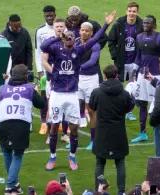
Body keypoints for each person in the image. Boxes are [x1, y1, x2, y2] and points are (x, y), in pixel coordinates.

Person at [42, 10, 117, 171]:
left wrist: (106, 24)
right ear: (64, 38)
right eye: (67, 37)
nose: (69, 39)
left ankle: (72, 157)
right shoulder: (56, 49)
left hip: (72, 94)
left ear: (73, 40)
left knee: (74, 128)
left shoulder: (78, 50)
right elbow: (43, 46)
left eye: (70, 37)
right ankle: (52, 157)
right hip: (57, 94)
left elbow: (96, 38)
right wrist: (58, 36)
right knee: (54, 126)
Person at [0, 64, 45, 194]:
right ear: (26, 76)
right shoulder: (29, 88)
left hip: (3, 124)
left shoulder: (2, 89)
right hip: (20, 125)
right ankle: (10, 185)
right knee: (17, 154)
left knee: (6, 152)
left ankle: (15, 183)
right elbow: (41, 104)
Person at [90, 64, 135, 195]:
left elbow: (92, 107)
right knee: (120, 162)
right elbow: (129, 107)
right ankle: (121, 193)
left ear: (104, 75)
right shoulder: (124, 93)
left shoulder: (97, 92)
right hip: (118, 132)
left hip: (102, 132)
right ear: (116, 75)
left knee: (100, 162)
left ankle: (98, 190)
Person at [130, 15, 160, 143]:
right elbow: (138, 56)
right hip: (142, 75)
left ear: (154, 24)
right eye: (144, 22)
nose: (145, 24)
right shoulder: (139, 37)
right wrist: (134, 72)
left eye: (149, 23)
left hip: (156, 75)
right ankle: (143, 133)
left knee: (158, 104)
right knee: (142, 103)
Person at [108, 1, 143, 122]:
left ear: (137, 12)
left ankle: (129, 111)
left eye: (134, 11)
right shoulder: (118, 24)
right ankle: (117, 109)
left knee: (132, 86)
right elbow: (111, 41)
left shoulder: (142, 25)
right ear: (126, 11)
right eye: (130, 11)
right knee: (119, 85)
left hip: (135, 62)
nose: (132, 13)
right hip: (121, 61)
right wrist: (115, 56)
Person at [76, 22, 101, 150]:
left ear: (91, 33)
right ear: (79, 31)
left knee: (91, 111)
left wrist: (79, 67)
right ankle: (73, 140)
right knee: (76, 109)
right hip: (77, 79)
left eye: (87, 31)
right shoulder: (75, 43)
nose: (84, 32)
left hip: (91, 79)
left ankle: (93, 140)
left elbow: (92, 61)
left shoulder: (95, 45)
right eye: (82, 30)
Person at [35, 5, 56, 135]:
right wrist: (39, 70)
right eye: (47, 15)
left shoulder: (60, 28)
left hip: (58, 69)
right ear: (44, 16)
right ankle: (43, 122)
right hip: (44, 69)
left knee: (57, 95)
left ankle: (57, 122)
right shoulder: (40, 31)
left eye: (51, 15)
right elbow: (38, 51)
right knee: (44, 96)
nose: (49, 18)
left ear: (55, 14)